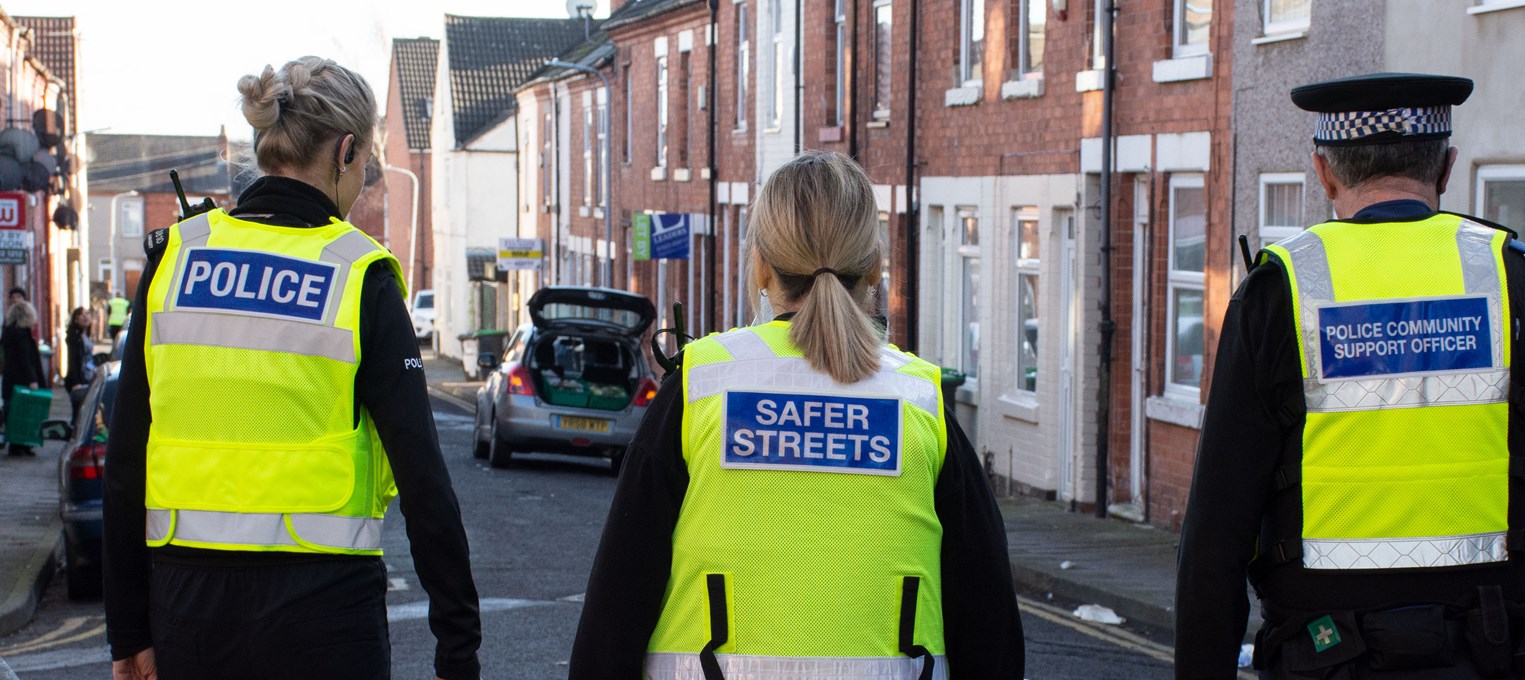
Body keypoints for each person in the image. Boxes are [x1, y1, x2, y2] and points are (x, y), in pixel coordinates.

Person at [1173, 72, 1525, 680]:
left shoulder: (1279, 295)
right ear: (1446, 168)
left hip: (1322, 657)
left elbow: (1215, 536)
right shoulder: (1521, 285)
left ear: (1323, 172)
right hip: (1493, 651)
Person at [568, 150, 1025, 679]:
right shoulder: (920, 403)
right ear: (875, 267)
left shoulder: (699, 389)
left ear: (761, 266)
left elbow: (615, 612)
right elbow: (990, 629)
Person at [101, 56, 482, 680]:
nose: (362, 182)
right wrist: (458, 648)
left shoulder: (175, 261)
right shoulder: (360, 276)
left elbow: (124, 465)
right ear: (346, 150)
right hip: (325, 618)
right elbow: (424, 481)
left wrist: (129, 633)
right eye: (365, 166)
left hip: (187, 612)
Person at [0, 299, 48, 457]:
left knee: (14, 414)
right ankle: (21, 445)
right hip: (23, 383)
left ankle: (19, 444)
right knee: (25, 414)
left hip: (10, 382)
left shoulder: (8, 335)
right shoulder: (22, 337)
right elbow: (26, 360)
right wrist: (33, 380)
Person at [64, 307, 95, 392]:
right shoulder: (75, 337)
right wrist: (76, 382)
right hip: (80, 380)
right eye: (81, 314)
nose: (85, 317)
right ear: (76, 320)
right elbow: (73, 359)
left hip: (88, 376)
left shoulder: (86, 335)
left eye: (87, 314)